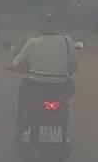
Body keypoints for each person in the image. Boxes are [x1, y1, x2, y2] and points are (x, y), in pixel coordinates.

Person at [8, 8, 78, 139]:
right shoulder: (67, 41)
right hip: (60, 86)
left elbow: (17, 64)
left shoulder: (33, 42)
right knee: (66, 100)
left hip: (36, 86)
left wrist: (13, 67)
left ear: (41, 25)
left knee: (24, 95)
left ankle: (22, 130)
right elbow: (74, 66)